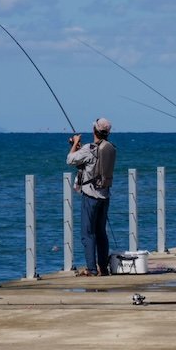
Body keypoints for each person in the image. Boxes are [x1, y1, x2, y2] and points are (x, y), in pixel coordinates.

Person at [67, 117, 117, 276]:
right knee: (101, 232)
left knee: (87, 233)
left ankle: (91, 269)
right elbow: (91, 164)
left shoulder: (90, 148)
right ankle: (103, 267)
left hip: (90, 196)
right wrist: (79, 148)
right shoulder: (110, 148)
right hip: (105, 196)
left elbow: (70, 160)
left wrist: (74, 143)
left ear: (94, 130)